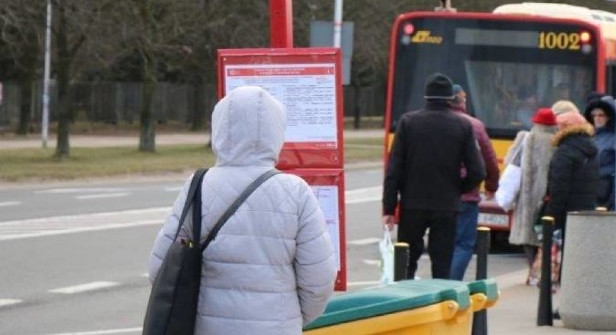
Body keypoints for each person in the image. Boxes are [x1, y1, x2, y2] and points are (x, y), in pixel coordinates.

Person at [148, 86, 336, 334]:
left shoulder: (198, 186)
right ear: (276, 132)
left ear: (220, 127)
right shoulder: (296, 192)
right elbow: (319, 280)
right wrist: (290, 317)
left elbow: (160, 268)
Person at [382, 73, 486, 279]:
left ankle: (405, 304)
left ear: (426, 96)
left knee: (406, 263)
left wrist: (389, 207)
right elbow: (478, 171)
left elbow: (394, 169)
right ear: (450, 98)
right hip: (447, 205)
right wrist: (458, 188)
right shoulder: (462, 126)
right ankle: (440, 306)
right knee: (442, 265)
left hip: (413, 203)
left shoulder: (408, 122)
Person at [449, 84, 500, 280]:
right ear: (462, 101)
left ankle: (439, 284)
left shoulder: (434, 121)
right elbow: (489, 159)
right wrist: (491, 185)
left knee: (444, 244)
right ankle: (451, 285)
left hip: (439, 193)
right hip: (467, 195)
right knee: (462, 245)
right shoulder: (474, 125)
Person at [507, 107, 559, 284]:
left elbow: (510, 162)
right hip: (548, 196)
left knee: (527, 235)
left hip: (526, 196)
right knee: (544, 235)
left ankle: (532, 272)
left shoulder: (526, 138)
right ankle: (544, 271)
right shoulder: (557, 140)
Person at [542, 110, 599, 236]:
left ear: (564, 128)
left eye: (557, 127)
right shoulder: (591, 148)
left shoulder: (565, 151)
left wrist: (551, 214)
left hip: (566, 212)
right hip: (586, 209)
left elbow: (559, 187)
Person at [583, 95, 616, 210]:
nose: (597, 118)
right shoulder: (589, 136)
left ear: (609, 117)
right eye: (594, 115)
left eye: (601, 115)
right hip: (589, 189)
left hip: (604, 190)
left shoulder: (615, 138)